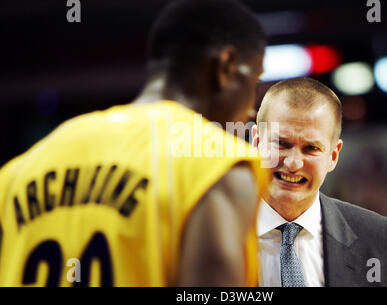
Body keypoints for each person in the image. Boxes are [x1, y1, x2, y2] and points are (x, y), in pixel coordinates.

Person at [0, 0, 267, 286]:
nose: (252, 108)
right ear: (225, 67)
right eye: (254, 79)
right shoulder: (216, 162)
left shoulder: (18, 171)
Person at [251, 77, 387, 286]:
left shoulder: (381, 239)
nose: (293, 163)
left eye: (311, 148)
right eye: (281, 144)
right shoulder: (207, 232)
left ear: (333, 156)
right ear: (256, 142)